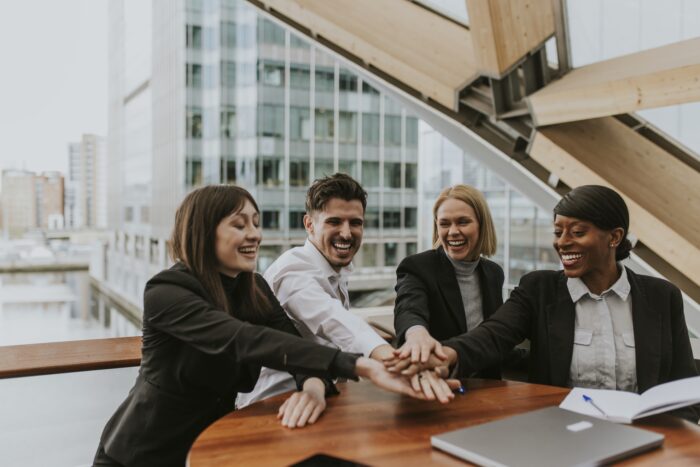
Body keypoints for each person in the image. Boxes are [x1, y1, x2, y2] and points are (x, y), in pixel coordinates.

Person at [93, 185, 439, 467]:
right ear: (203, 230)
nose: (254, 234)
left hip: (214, 446)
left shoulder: (254, 287)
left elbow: (287, 342)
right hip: (141, 453)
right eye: (240, 224)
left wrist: (313, 387)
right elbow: (244, 339)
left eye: (256, 223)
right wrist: (363, 365)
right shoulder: (167, 291)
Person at [389, 185, 699, 422]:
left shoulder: (662, 297)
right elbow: (493, 334)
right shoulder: (539, 289)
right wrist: (442, 357)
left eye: (577, 232)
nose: (562, 242)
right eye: (558, 231)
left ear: (614, 237)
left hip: (646, 443)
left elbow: (684, 392)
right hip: (562, 437)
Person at [238, 173, 452, 410]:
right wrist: (396, 363)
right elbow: (331, 320)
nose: (347, 233)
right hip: (274, 404)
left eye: (356, 223)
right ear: (309, 225)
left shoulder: (335, 267)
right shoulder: (293, 269)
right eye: (334, 221)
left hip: (323, 396)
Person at [393, 184, 508, 379]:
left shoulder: (493, 273)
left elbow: (492, 338)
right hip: (437, 383)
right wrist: (416, 334)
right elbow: (409, 308)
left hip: (487, 387)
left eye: (463, 222)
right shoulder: (418, 266)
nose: (453, 231)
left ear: (482, 225)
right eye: (444, 224)